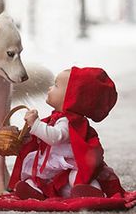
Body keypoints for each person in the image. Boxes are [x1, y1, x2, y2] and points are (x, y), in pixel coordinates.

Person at [8, 63, 127, 203]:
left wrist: (35, 124)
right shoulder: (57, 118)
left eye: (56, 86)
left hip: (70, 164)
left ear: (72, 97)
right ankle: (35, 190)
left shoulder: (69, 122)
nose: (50, 88)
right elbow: (43, 139)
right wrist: (28, 136)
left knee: (76, 177)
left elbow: (55, 137)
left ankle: (91, 190)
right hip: (58, 168)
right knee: (38, 178)